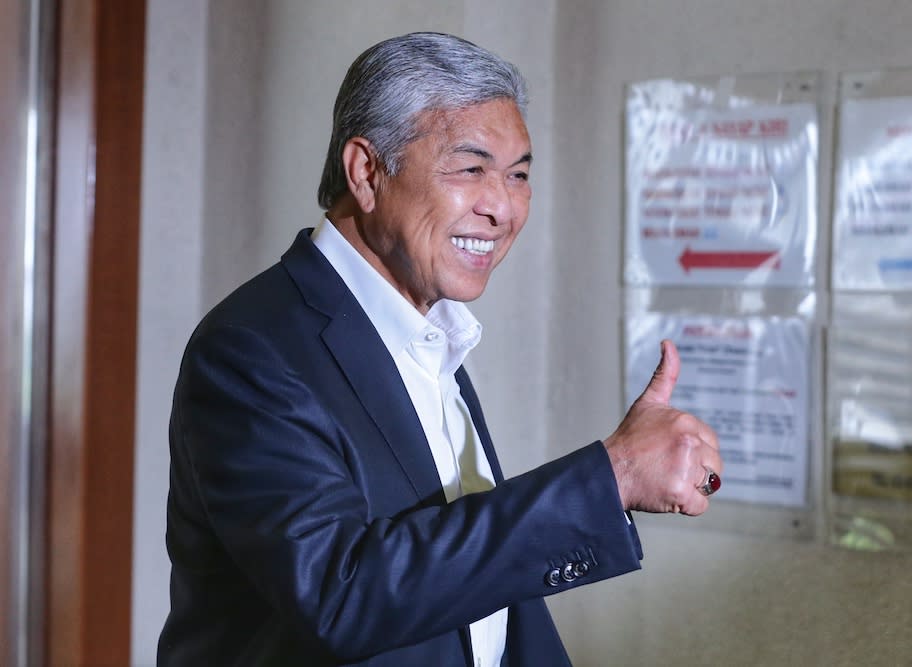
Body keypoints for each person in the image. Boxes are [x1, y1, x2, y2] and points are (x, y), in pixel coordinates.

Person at [157, 31, 722, 667]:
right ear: (367, 172)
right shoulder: (250, 350)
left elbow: (471, 582)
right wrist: (610, 478)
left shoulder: (429, 327)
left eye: (518, 175)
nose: (503, 208)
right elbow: (339, 595)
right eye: (472, 167)